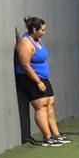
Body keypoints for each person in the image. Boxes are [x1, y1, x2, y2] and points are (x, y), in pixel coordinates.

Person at [14, 16, 69, 147]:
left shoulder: (37, 40)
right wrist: (38, 81)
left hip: (43, 77)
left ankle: (56, 134)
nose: (44, 32)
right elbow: (25, 65)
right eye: (42, 30)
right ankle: (47, 137)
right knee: (41, 106)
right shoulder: (25, 43)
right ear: (34, 29)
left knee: (50, 103)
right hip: (30, 78)